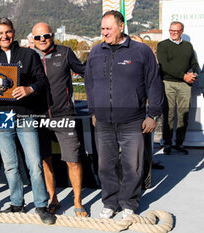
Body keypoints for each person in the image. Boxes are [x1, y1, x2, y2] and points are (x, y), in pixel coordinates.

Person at [84, 11, 164, 219]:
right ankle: (110, 203)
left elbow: (154, 84)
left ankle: (129, 203)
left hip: (133, 121)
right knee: (105, 166)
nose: (104, 32)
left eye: (109, 28)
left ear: (121, 27)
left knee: (133, 167)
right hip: (103, 122)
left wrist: (152, 114)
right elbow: (89, 84)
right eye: (102, 28)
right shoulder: (95, 52)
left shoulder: (141, 52)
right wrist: (93, 111)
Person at [0, 17, 55, 224]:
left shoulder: (29, 55)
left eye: (7, 32)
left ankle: (42, 205)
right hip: (4, 116)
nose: (4, 36)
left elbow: (42, 81)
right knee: (10, 165)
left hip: (26, 113)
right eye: (0, 33)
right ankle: (17, 202)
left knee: (34, 163)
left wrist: (29, 89)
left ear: (14, 32)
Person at [31, 22, 87, 217]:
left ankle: (77, 201)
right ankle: (53, 198)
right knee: (46, 160)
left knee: (73, 160)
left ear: (52, 35)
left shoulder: (65, 52)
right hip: (39, 117)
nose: (42, 40)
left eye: (45, 36)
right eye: (38, 37)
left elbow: (85, 71)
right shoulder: (29, 56)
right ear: (33, 39)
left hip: (64, 114)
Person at [157, 21, 199, 155]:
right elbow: (165, 66)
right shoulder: (162, 45)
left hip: (185, 85)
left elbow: (194, 63)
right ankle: (167, 143)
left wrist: (193, 73)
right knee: (168, 115)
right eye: (171, 30)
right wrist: (184, 76)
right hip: (168, 83)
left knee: (183, 115)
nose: (173, 33)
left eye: (176, 31)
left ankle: (179, 143)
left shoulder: (188, 46)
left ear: (181, 31)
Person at [130, 35, 164, 170]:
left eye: (143, 44)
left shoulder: (146, 57)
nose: (141, 47)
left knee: (148, 135)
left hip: (145, 104)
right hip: (132, 106)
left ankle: (149, 161)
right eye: (139, 44)